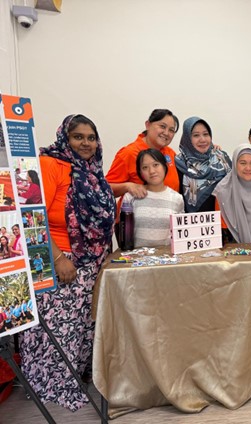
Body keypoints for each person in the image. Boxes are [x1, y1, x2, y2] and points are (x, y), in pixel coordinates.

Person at [20, 114, 115, 411]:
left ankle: (74, 376)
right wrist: (58, 258)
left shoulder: (92, 171)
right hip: (58, 261)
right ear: (65, 138)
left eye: (91, 137)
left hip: (88, 264)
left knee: (80, 327)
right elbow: (30, 218)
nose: (86, 143)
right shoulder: (49, 164)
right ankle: (51, 384)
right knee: (57, 329)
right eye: (78, 137)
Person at [106, 109, 180, 201]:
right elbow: (104, 190)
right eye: (162, 126)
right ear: (148, 125)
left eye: (171, 130)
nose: (166, 133)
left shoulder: (170, 153)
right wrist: (127, 186)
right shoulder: (129, 153)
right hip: (135, 209)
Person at [122, 148, 184, 247]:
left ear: (164, 166)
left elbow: (180, 234)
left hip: (167, 255)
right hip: (137, 255)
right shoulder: (130, 197)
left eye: (156, 165)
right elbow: (125, 235)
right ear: (140, 172)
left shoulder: (177, 198)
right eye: (145, 167)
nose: (151, 171)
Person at [175, 116, 232, 213]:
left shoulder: (222, 160)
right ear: (187, 139)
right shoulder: (179, 164)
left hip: (222, 220)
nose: (203, 139)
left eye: (206, 134)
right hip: (190, 221)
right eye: (196, 135)